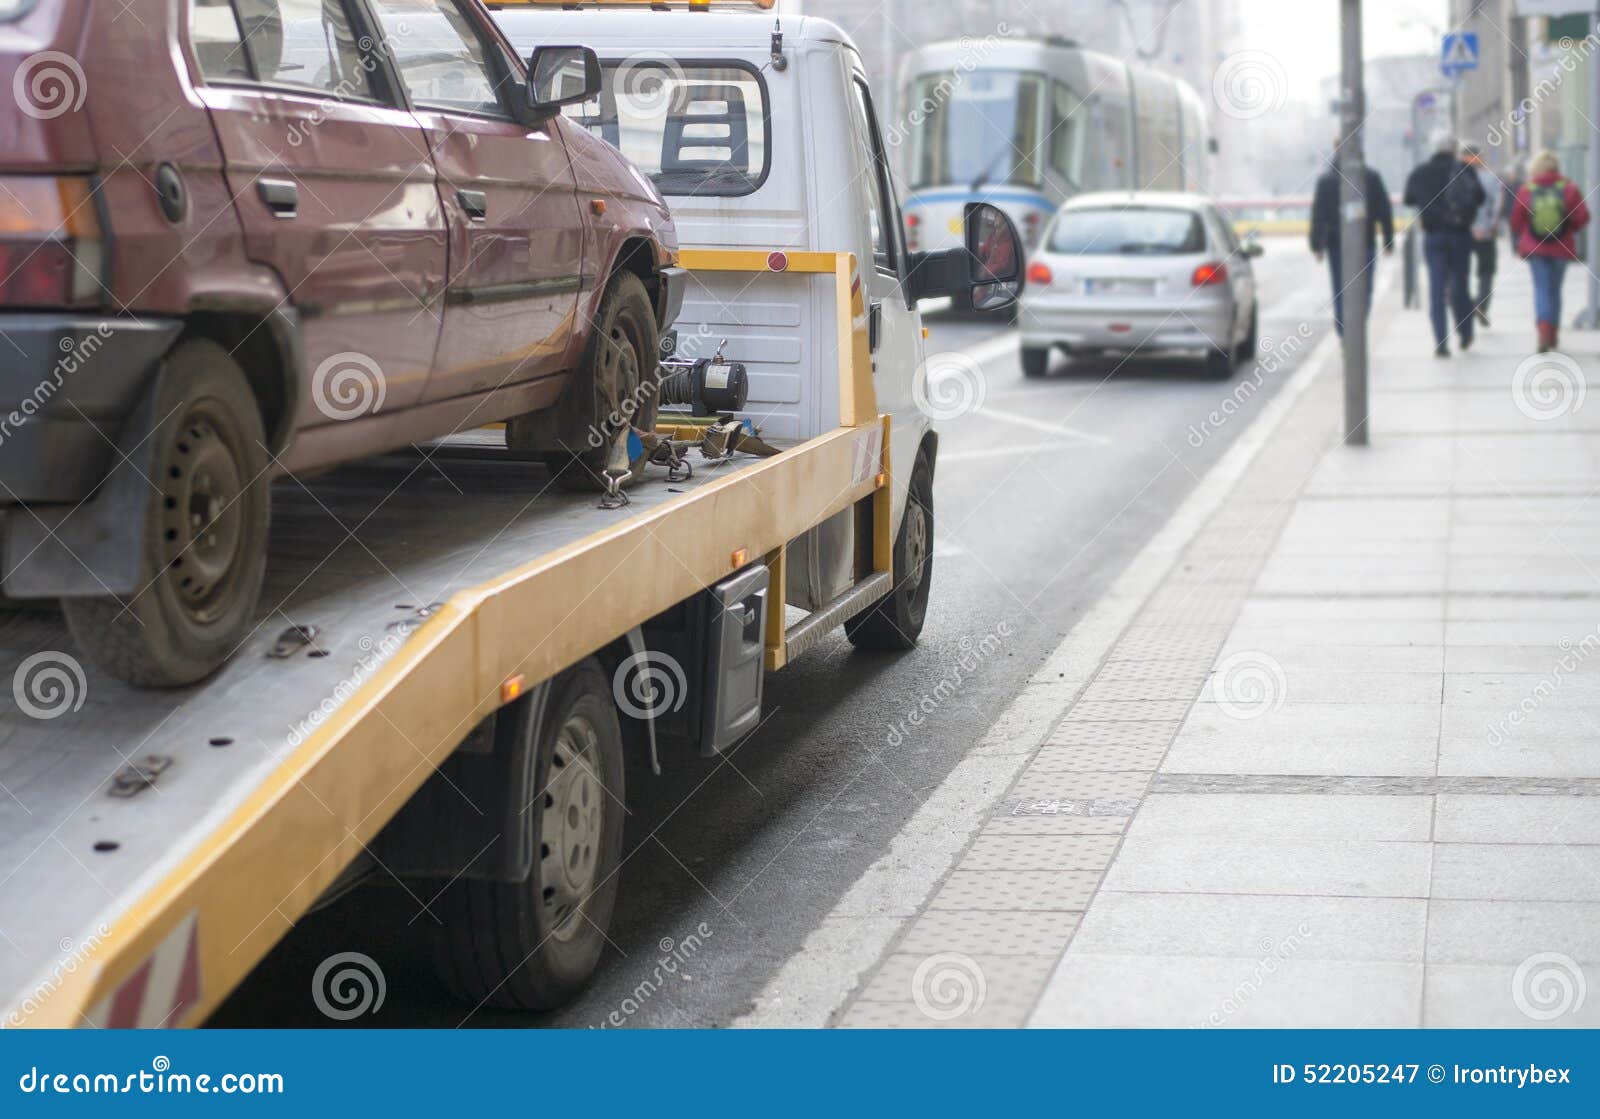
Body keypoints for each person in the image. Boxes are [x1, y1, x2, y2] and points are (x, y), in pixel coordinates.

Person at [1403, 134, 1485, 357]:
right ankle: (1465, 331)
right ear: (1453, 149)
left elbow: (1408, 199)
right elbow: (1480, 197)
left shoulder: (1420, 172)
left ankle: (1441, 341)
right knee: (1460, 285)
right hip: (1460, 235)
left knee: (1437, 290)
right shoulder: (1464, 169)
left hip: (1434, 236)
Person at [1509, 149, 1592, 352]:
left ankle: (1543, 331)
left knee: (1541, 288)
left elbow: (1516, 220)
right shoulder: (1569, 188)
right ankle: (1553, 333)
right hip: (1561, 248)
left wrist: (1526, 234)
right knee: (1555, 290)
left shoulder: (1528, 189)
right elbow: (1583, 217)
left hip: (1535, 248)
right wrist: (1568, 228)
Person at [1309, 143, 1395, 337]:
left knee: (1340, 291)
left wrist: (1317, 245)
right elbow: (1385, 210)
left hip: (1336, 245)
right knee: (1364, 290)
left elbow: (1318, 215)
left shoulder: (1326, 181)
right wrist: (1388, 240)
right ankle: (1356, 331)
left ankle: (1345, 335)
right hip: (1366, 243)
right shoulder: (1370, 177)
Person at [1460, 143, 1502, 327]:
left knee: (1461, 272)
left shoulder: (1457, 178)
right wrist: (1490, 226)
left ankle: (1468, 306)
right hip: (1485, 233)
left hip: (1463, 233)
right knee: (1487, 271)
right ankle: (1481, 305)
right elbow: (1497, 205)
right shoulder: (1490, 178)